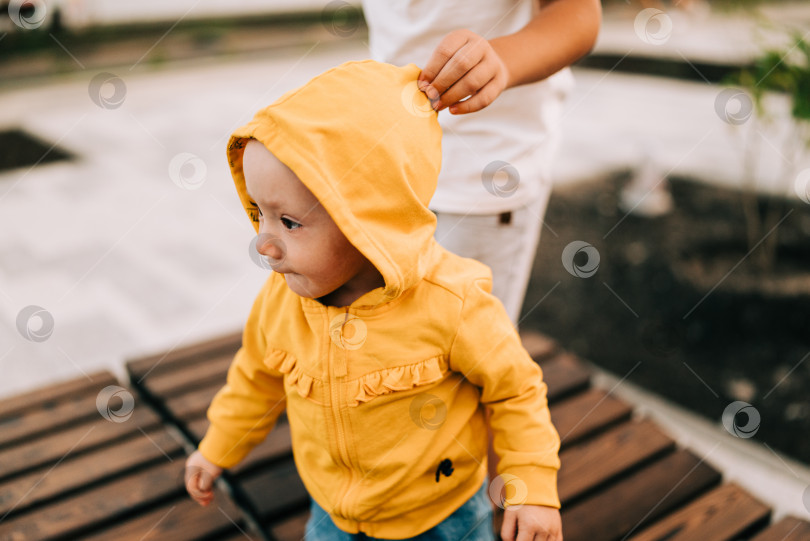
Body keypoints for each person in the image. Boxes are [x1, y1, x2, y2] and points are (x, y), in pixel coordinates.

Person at [184, 60, 562, 541]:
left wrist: (531, 486)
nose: (264, 242)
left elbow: (515, 391)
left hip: (442, 517)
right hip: (333, 516)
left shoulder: (451, 303)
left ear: (367, 222)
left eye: (290, 222)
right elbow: (254, 381)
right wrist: (217, 448)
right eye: (260, 213)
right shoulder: (280, 303)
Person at [361, 0, 602, 324]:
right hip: (390, 163)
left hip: (486, 173)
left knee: (468, 345)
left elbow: (579, 14)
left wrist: (502, 61)